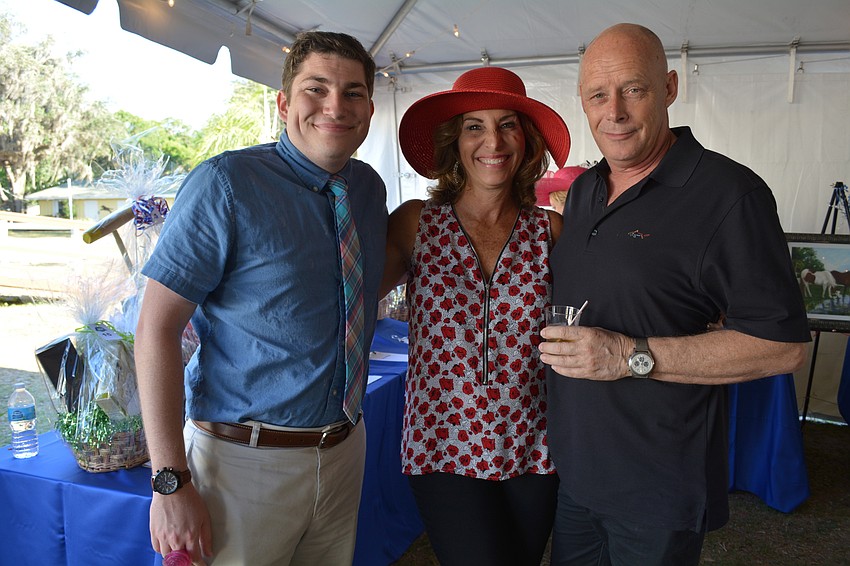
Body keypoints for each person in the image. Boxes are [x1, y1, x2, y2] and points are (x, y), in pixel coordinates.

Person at [538, 23, 811, 566]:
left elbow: (783, 347)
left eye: (633, 89)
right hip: (578, 476)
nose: (614, 112)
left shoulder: (730, 195)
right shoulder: (585, 190)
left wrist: (627, 355)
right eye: (597, 95)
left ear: (668, 88)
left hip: (657, 487)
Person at [134, 31, 387, 565]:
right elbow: (155, 329)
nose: (335, 106)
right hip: (243, 463)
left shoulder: (367, 188)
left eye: (353, 92)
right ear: (284, 103)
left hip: (344, 450)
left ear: (369, 108)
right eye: (316, 89)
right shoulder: (226, 183)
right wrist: (169, 481)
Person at [382, 66, 571, 566]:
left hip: (534, 444)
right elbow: (347, 294)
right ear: (455, 142)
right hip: (441, 443)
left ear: (526, 141)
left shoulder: (550, 231)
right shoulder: (415, 223)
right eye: (474, 127)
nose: (493, 141)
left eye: (508, 125)